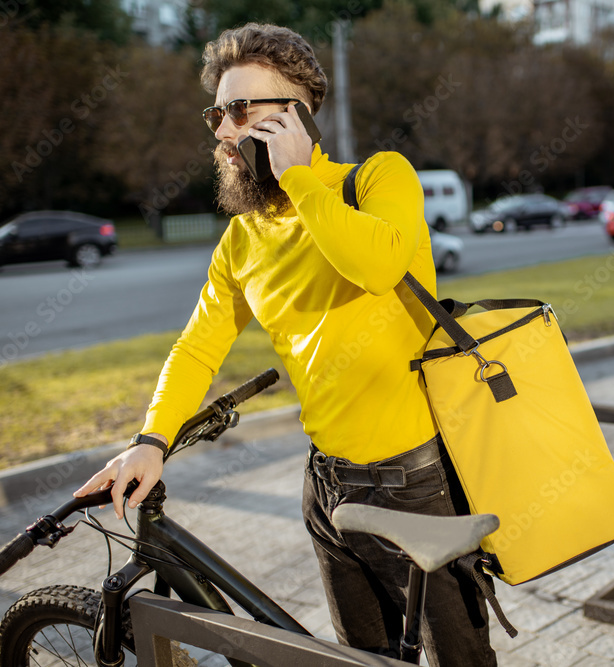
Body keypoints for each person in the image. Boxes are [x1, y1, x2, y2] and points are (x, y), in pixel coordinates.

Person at [74, 22, 496, 666]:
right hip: (325, 483)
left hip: (412, 480)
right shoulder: (243, 239)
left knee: (460, 661)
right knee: (360, 658)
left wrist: (299, 179)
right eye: (217, 111)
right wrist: (151, 439)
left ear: (295, 117)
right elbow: (197, 346)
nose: (221, 128)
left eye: (241, 109)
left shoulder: (379, 179)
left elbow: (377, 267)